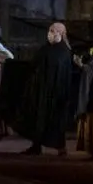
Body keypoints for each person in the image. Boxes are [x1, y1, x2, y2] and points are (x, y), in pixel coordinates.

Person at [17, 21, 75, 155]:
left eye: (53, 31)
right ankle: (36, 145)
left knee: (56, 121)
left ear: (60, 33)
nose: (50, 33)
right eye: (49, 30)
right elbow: (34, 64)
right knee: (39, 118)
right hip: (42, 91)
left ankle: (61, 147)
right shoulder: (46, 49)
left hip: (56, 93)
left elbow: (63, 74)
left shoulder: (64, 51)